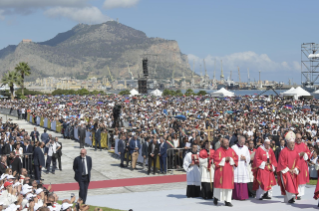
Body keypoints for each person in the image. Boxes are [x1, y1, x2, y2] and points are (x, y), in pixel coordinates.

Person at [213, 138, 238, 207]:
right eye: (225, 143)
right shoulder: (218, 151)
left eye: (227, 143)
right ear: (221, 144)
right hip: (220, 171)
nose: (227, 144)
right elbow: (215, 160)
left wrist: (231, 159)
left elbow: (236, 158)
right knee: (219, 186)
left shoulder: (232, 150)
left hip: (229, 171)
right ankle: (216, 198)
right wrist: (224, 159)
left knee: (229, 187)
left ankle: (227, 201)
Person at [277, 131, 300, 203]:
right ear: (287, 143)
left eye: (293, 143)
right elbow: (281, 163)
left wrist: (295, 169)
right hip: (285, 171)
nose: (293, 145)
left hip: (293, 171)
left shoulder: (296, 152)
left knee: (293, 183)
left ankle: (290, 198)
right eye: (291, 143)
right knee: (288, 183)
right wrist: (288, 170)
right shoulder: (283, 151)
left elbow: (298, 162)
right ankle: (290, 198)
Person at [231, 136, 250, 200]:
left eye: (244, 142)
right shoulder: (233, 147)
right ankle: (236, 196)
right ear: (239, 141)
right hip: (237, 167)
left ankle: (243, 196)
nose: (243, 143)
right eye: (242, 142)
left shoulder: (246, 148)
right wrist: (239, 158)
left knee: (243, 181)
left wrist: (245, 158)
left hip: (243, 166)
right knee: (236, 181)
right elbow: (231, 156)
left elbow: (248, 157)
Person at [294, 133, 310, 200]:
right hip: (296, 165)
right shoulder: (293, 145)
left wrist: (305, 154)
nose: (299, 139)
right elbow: (290, 154)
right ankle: (296, 193)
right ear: (295, 138)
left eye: (300, 138)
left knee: (302, 180)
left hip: (303, 165)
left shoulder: (304, 145)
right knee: (296, 179)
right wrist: (298, 154)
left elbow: (308, 152)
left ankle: (300, 194)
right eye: (298, 138)